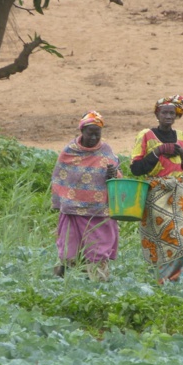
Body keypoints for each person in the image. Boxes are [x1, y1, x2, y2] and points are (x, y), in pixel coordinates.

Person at [130, 95, 183, 284]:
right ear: (157, 115)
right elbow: (136, 169)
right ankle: (162, 279)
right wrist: (158, 152)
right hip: (155, 193)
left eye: (172, 113)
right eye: (164, 112)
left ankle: (177, 278)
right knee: (163, 238)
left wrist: (182, 153)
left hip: (178, 193)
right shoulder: (146, 136)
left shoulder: (182, 137)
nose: (168, 116)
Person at [51, 111, 121, 281]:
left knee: (98, 252)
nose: (93, 137)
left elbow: (118, 179)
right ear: (82, 131)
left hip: (99, 212)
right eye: (90, 133)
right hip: (73, 210)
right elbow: (60, 176)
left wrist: (113, 174)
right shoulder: (69, 151)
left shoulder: (106, 150)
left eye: (97, 134)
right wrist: (62, 201)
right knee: (70, 251)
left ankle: (98, 282)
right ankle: (65, 275)